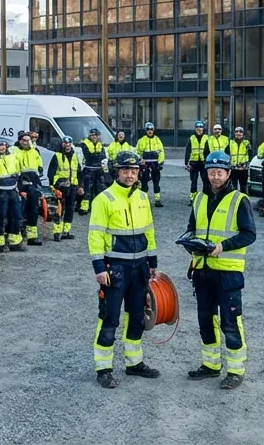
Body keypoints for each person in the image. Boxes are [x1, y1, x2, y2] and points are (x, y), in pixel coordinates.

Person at [184, 151, 256, 390]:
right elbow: (191, 228)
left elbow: (249, 234)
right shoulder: (198, 199)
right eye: (211, 172)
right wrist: (190, 245)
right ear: (206, 173)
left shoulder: (239, 199)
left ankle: (235, 370)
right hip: (203, 270)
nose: (215, 177)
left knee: (230, 321)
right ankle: (211, 365)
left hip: (228, 272)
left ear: (228, 173)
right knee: (206, 319)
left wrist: (222, 246)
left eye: (220, 172)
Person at [89, 151, 161, 388]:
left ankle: (134, 363)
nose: (130, 175)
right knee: (109, 318)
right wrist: (99, 267)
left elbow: (149, 232)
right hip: (114, 269)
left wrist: (152, 263)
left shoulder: (142, 197)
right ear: (116, 171)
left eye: (134, 171)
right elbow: (96, 235)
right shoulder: (104, 199)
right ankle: (104, 368)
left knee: (137, 317)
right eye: (125, 170)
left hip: (139, 268)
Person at [0, 137, 25, 252]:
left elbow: (18, 171)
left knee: (16, 215)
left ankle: (14, 240)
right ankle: (0, 241)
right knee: (2, 216)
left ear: (6, 146)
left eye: (3, 145)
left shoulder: (12, 157)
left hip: (13, 190)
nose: (2, 148)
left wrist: (19, 184)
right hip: (0, 191)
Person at [15, 133, 46, 246]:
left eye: (28, 140)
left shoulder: (35, 151)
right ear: (20, 141)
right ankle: (19, 234)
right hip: (22, 181)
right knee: (21, 210)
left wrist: (40, 170)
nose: (26, 142)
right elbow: (15, 170)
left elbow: (39, 164)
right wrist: (20, 187)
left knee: (33, 210)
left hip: (34, 181)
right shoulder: (16, 153)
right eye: (24, 140)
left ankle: (32, 237)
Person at [48, 136, 81, 241]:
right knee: (59, 210)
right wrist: (53, 187)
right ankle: (57, 232)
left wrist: (80, 186)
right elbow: (51, 173)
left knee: (70, 209)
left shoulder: (75, 156)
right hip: (61, 187)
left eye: (69, 143)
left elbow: (79, 172)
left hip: (72, 187)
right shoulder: (57, 156)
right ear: (62, 144)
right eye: (65, 143)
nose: (67, 145)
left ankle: (66, 232)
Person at [135, 122, 165, 208]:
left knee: (156, 182)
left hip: (155, 163)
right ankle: (144, 200)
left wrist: (160, 162)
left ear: (154, 130)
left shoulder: (157, 140)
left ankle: (157, 200)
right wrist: (140, 161)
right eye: (148, 129)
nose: (150, 131)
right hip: (145, 164)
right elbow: (137, 152)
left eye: (151, 129)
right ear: (145, 130)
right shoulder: (141, 140)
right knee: (144, 182)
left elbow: (161, 151)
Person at [79, 128, 108, 215]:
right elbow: (85, 156)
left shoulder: (100, 145)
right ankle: (84, 208)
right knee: (87, 189)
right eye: (92, 135)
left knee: (99, 189)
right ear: (90, 136)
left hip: (98, 170)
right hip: (88, 169)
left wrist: (105, 172)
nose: (94, 137)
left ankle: (98, 207)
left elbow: (104, 158)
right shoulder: (84, 144)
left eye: (96, 135)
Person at [185, 120, 210, 203]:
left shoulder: (207, 138)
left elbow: (210, 150)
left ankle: (204, 197)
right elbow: (188, 151)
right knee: (193, 181)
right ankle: (193, 198)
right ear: (195, 129)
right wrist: (186, 162)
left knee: (205, 181)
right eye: (197, 127)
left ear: (203, 129)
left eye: (201, 127)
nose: (199, 129)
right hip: (194, 163)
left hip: (204, 163)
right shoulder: (191, 138)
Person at [227, 127, 252, 194]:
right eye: (237, 132)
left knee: (243, 187)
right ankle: (233, 201)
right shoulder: (231, 142)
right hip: (233, 168)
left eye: (240, 132)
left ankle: (243, 201)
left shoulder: (246, 142)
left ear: (243, 134)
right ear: (234, 133)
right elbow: (227, 153)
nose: (238, 133)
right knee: (233, 186)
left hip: (243, 168)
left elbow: (250, 153)